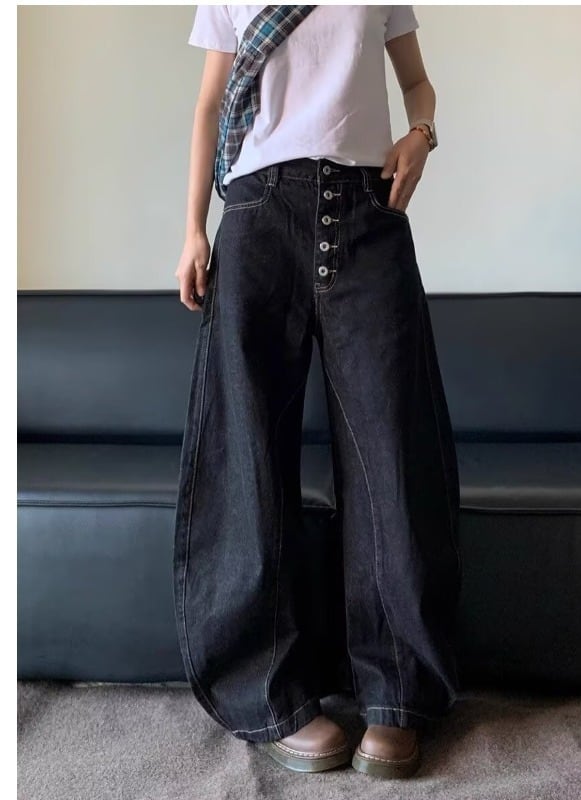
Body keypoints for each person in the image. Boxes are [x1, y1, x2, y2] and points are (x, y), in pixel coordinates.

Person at [173, 4, 461, 780]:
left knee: (390, 454)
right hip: (257, 213)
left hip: (367, 213)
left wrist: (421, 134)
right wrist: (194, 227)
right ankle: (268, 692)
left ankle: (397, 692)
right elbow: (210, 102)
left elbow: (418, 83)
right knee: (247, 457)